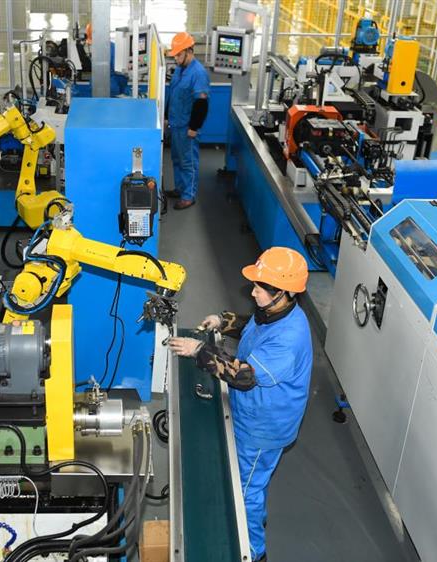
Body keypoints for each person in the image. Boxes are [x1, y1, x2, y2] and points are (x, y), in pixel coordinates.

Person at [168, 247, 313, 562]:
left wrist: (199, 351)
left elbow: (243, 376)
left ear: (285, 293)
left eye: (261, 288)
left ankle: (254, 552)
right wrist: (223, 321)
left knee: (246, 492)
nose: (253, 291)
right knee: (249, 482)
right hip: (251, 411)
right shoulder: (276, 311)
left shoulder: (289, 339)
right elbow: (254, 325)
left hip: (262, 428)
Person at [165, 32, 210, 210]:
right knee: (177, 159)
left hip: (187, 127)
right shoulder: (180, 69)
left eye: (178, 55)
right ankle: (180, 188)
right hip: (176, 123)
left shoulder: (198, 73)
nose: (176, 58)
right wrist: (167, 116)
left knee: (188, 162)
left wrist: (194, 127)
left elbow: (201, 103)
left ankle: (188, 196)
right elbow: (173, 94)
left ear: (189, 51)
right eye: (175, 55)